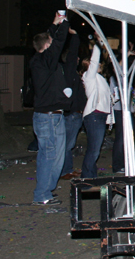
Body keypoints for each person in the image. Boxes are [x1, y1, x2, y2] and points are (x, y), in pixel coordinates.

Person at [29, 11, 72, 206]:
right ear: (46, 46)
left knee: (58, 156)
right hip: (46, 117)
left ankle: (47, 190)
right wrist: (64, 23)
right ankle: (42, 194)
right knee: (48, 155)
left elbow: (52, 41)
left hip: (56, 115)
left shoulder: (44, 62)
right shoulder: (41, 61)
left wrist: (53, 25)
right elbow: (58, 43)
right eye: (50, 42)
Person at [81, 43, 114, 179]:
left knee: (95, 149)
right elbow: (94, 61)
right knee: (94, 150)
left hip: (100, 116)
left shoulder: (100, 79)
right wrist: (97, 45)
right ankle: (87, 177)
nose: (99, 64)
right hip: (94, 115)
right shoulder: (89, 77)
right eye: (95, 63)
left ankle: (91, 176)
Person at [61, 30, 85, 180]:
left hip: (75, 112)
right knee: (67, 144)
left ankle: (67, 169)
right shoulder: (69, 71)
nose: (77, 59)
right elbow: (72, 55)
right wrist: (75, 36)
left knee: (69, 144)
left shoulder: (72, 74)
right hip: (71, 114)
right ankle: (64, 170)